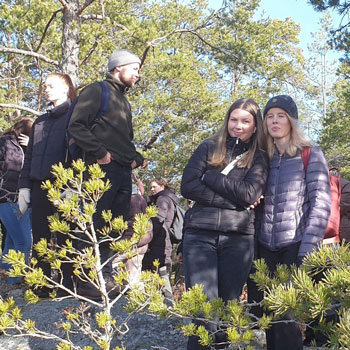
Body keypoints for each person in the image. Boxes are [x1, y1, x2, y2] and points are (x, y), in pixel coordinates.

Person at [180, 98, 269, 349]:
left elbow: (250, 194)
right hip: (200, 235)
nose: (237, 126)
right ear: (227, 120)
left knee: (228, 306)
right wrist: (232, 202)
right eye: (233, 119)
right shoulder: (208, 147)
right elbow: (188, 185)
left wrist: (209, 176)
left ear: (255, 126)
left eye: (245, 121)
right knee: (202, 307)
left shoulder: (259, 157)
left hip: (238, 238)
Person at [67, 49, 145, 298]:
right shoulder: (97, 90)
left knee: (115, 226)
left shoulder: (124, 100)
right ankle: (87, 280)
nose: (137, 74)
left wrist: (135, 158)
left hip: (122, 171)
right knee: (96, 222)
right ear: (117, 68)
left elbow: (123, 138)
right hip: (100, 169)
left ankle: (104, 275)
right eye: (134, 68)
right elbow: (76, 126)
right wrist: (100, 152)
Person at [257, 95, 331, 350]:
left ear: (291, 121)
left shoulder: (310, 153)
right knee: (269, 319)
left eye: (281, 115)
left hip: (295, 244)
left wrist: (307, 250)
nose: (275, 121)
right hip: (264, 247)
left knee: (288, 320)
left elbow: (321, 203)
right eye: (270, 116)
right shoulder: (261, 157)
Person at [18, 73, 77, 296]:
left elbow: (77, 152)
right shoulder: (40, 122)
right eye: (45, 86)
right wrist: (24, 187)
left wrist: (73, 185)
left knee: (65, 235)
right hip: (38, 186)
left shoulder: (74, 116)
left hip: (64, 186)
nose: (47, 90)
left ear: (65, 89)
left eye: (52, 86)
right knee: (40, 236)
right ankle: (40, 284)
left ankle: (67, 285)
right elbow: (30, 156)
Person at [0, 118, 33, 285]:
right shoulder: (4, 143)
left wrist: (32, 145)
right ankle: (16, 280)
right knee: (24, 241)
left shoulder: (28, 147)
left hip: (23, 198)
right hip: (7, 197)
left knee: (12, 240)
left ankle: (6, 277)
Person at [142, 177, 178, 299]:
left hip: (158, 240)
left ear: (162, 187)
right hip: (162, 240)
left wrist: (146, 240)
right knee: (161, 270)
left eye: (154, 187)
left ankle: (166, 300)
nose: (151, 189)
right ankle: (165, 300)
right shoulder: (165, 199)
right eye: (150, 187)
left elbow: (157, 221)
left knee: (159, 270)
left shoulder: (162, 199)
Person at [113, 178, 153, 286]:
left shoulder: (132, 199)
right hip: (141, 240)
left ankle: (137, 299)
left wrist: (125, 242)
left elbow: (133, 223)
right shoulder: (139, 198)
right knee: (133, 274)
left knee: (131, 277)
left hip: (133, 241)